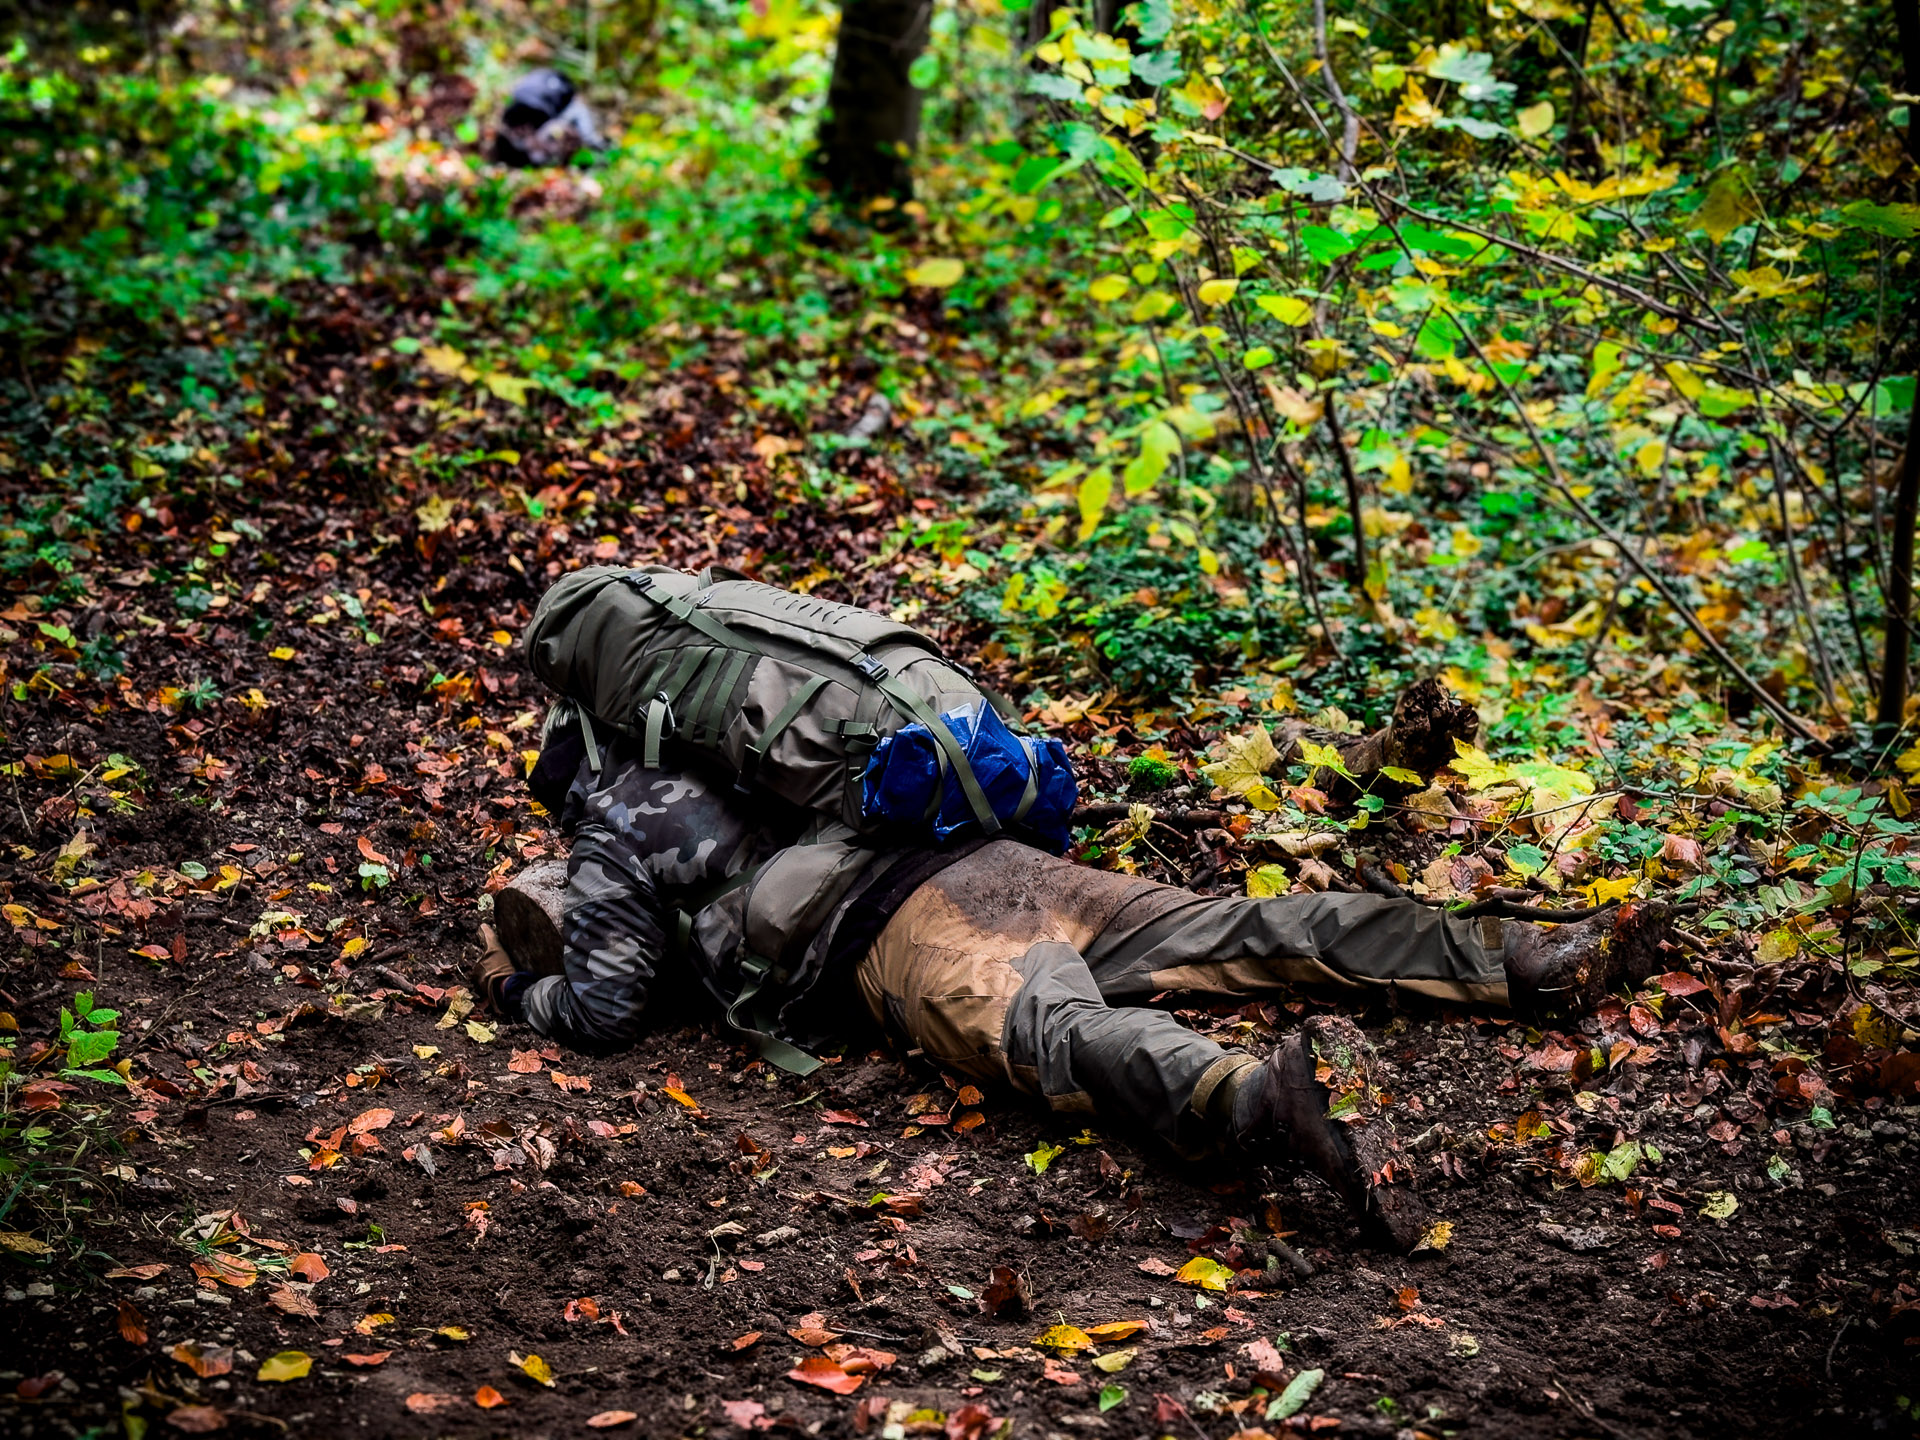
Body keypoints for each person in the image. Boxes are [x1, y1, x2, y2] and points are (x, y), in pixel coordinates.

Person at [474, 714, 1669, 1251]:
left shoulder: (612, 820)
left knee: (1051, 1028)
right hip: (994, 857)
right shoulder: (742, 721)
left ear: (568, 781)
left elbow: (607, 1010)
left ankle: (1253, 1100)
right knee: (1239, 926)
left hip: (904, 931)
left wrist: (512, 993)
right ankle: (1513, 956)